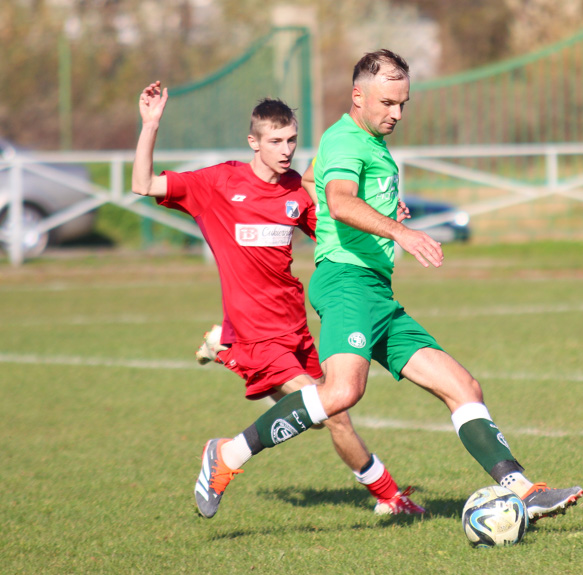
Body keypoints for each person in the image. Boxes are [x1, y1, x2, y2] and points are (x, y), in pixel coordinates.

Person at [192, 49, 583, 523]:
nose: (396, 114)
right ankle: (227, 456)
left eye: (403, 104)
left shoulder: (367, 144)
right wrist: (400, 231)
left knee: (463, 386)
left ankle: (522, 488)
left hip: (377, 291)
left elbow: (316, 182)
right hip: (345, 281)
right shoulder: (346, 140)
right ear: (359, 96)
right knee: (340, 394)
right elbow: (337, 201)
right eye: (387, 103)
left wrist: (381, 212)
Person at [131, 80, 425, 518]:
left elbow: (339, 222)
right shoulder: (218, 183)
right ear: (254, 142)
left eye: (291, 140)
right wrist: (151, 124)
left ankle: (388, 497)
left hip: (296, 326)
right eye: (274, 141)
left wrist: (385, 213)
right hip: (257, 329)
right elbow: (143, 183)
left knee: (334, 412)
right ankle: (227, 450)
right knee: (324, 407)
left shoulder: (295, 192)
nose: (286, 150)